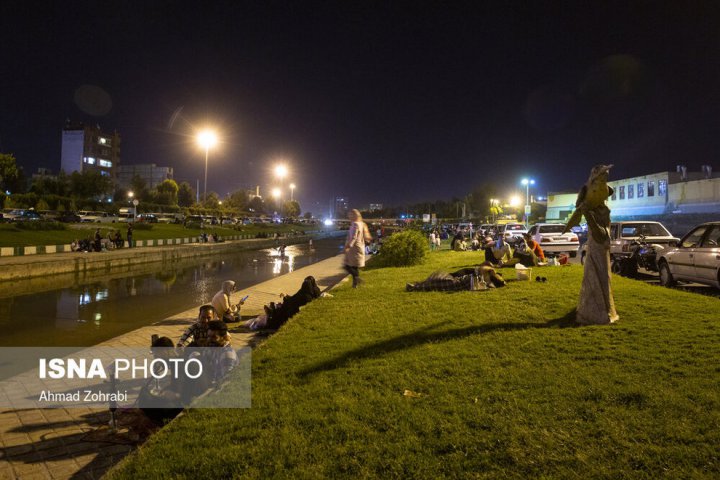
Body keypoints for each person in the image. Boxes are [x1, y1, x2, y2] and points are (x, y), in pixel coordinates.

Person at [257, 276, 322, 329]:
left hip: (294, 309)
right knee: (286, 305)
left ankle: (273, 313)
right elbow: (294, 298)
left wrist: (287, 298)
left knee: (285, 307)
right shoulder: (313, 291)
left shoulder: (306, 295)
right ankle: (273, 311)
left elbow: (294, 299)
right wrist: (286, 296)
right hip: (295, 306)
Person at [344, 209, 371, 288]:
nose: (349, 216)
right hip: (360, 247)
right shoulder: (361, 223)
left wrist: (348, 246)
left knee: (347, 266)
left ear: (354, 215)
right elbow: (366, 237)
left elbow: (354, 237)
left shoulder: (355, 224)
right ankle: (355, 284)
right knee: (354, 266)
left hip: (354, 248)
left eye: (351, 215)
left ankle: (357, 279)